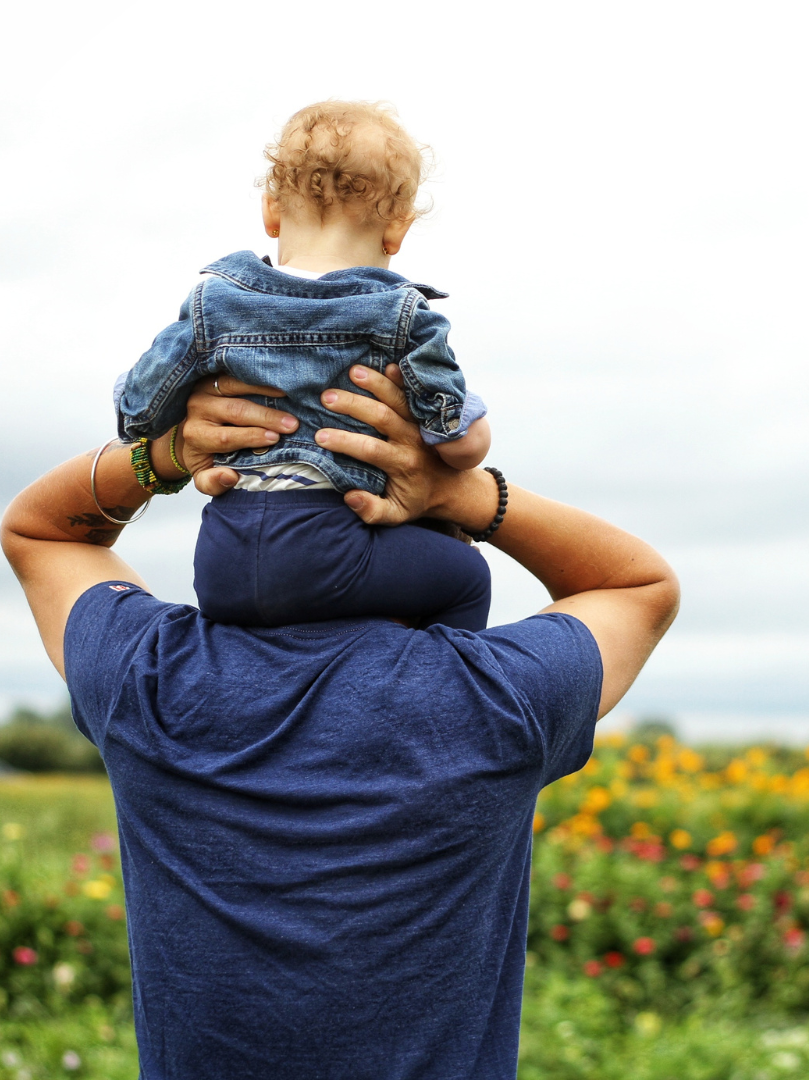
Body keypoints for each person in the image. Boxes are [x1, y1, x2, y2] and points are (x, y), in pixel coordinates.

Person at [1, 365, 680, 1080]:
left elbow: (41, 533)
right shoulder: (497, 697)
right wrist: (468, 493)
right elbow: (636, 584)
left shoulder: (152, 679)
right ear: (434, 545)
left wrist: (165, 454)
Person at [115, 100, 493, 629]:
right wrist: (469, 425)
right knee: (466, 575)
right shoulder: (402, 315)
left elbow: (138, 412)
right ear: (397, 231)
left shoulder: (214, 303)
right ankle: (441, 692)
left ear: (271, 211)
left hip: (222, 558)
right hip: (333, 548)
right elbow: (457, 444)